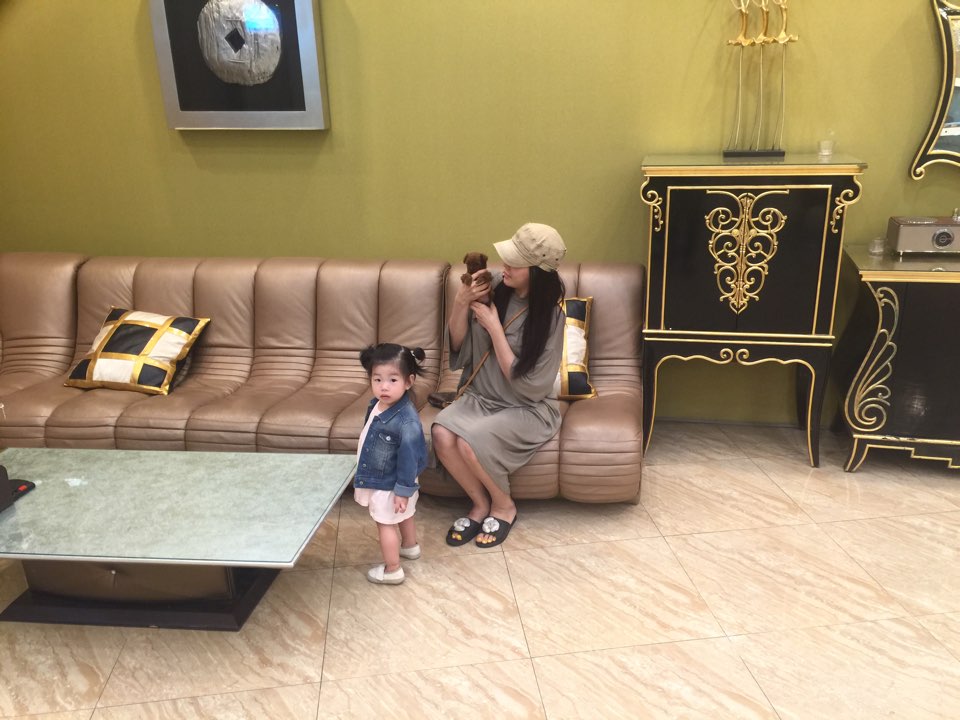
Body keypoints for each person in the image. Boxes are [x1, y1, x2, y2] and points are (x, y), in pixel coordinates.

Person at [433, 222, 567, 548]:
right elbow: (458, 345)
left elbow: (530, 387)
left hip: (525, 407)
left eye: (514, 263)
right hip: (481, 396)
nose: (504, 266)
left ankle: (504, 506)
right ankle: (480, 504)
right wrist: (461, 302)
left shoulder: (551, 318)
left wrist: (494, 328)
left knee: (471, 441)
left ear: (536, 272)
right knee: (441, 432)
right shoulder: (493, 286)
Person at [355, 343, 429, 584]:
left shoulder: (406, 421)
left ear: (409, 381)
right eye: (377, 379)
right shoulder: (377, 404)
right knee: (405, 514)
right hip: (394, 479)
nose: (383, 386)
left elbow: (410, 456)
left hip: (390, 483)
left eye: (392, 380)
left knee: (385, 523)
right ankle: (410, 546)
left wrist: (402, 490)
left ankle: (393, 569)